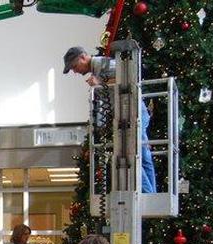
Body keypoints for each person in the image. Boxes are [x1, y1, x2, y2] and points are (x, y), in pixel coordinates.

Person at [63, 46, 157, 194]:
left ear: (83, 57)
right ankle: (151, 193)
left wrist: (100, 83)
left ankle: (148, 193)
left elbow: (127, 77)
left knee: (134, 154)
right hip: (132, 112)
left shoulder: (103, 64)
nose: (75, 71)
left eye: (75, 66)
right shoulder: (99, 67)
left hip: (132, 112)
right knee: (143, 155)